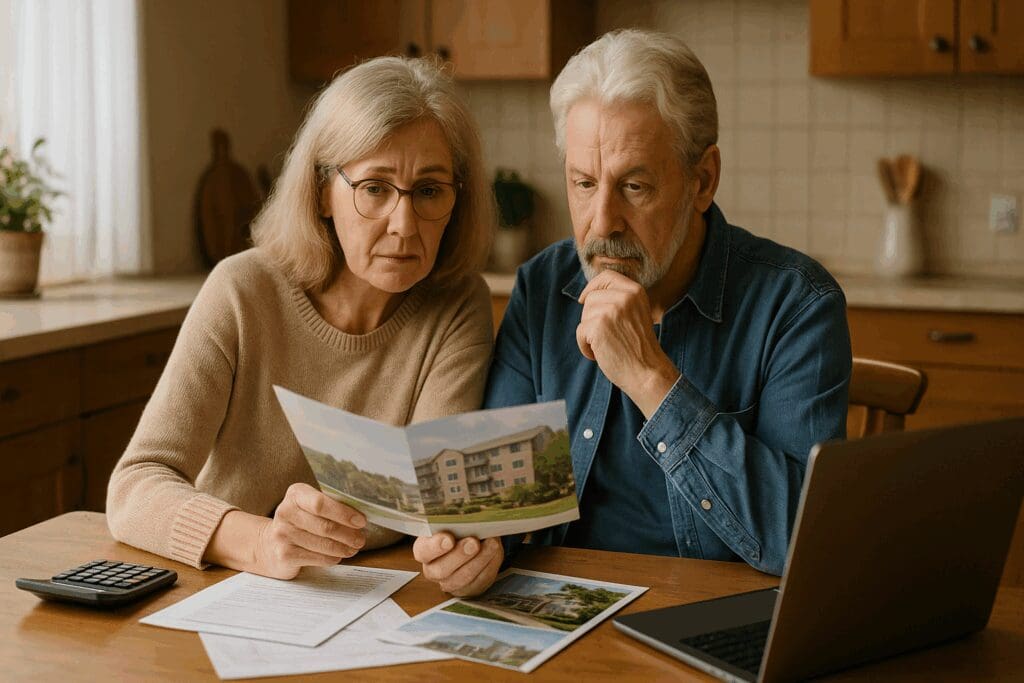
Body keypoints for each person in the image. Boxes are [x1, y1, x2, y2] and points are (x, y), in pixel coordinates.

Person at [414, 29, 852, 596]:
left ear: (703, 180)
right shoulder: (544, 287)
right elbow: (500, 500)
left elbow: (801, 540)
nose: (601, 223)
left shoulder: (798, 305)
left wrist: (651, 379)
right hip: (564, 611)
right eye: (583, 183)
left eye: (635, 186)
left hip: (717, 612)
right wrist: (477, 546)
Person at [107, 56, 494, 580]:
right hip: (227, 587)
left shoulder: (458, 301)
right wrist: (262, 542)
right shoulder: (242, 289)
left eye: (428, 191)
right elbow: (135, 485)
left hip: (376, 592)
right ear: (321, 193)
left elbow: (431, 498)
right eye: (375, 188)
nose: (404, 226)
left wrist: (465, 546)